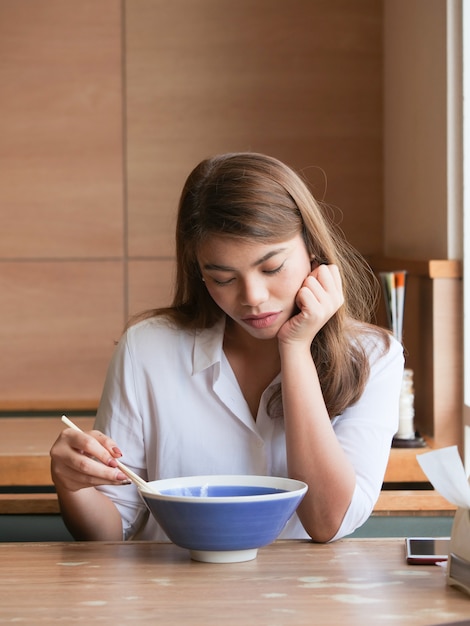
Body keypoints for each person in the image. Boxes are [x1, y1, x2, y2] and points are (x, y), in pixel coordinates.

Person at [50, 152, 404, 543]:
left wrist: (296, 347)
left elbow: (326, 522)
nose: (252, 297)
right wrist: (73, 485)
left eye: (271, 269)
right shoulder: (147, 349)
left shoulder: (373, 356)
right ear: (199, 272)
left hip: (305, 598)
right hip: (168, 594)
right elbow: (112, 529)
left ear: (313, 250)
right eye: (222, 278)